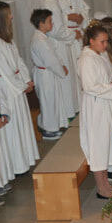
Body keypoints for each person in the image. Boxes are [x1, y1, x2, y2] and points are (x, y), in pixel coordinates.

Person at [77, 22, 112, 199]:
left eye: (106, 41)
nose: (105, 45)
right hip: (95, 107)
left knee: (106, 143)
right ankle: (101, 188)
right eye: (102, 41)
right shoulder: (86, 59)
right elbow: (89, 86)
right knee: (98, 146)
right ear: (91, 41)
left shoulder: (98, 55)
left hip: (104, 104)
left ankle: (106, 183)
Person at [0, 2, 39, 179]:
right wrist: (22, 85)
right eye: (8, 14)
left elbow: (19, 62)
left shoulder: (8, 40)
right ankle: (15, 164)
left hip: (18, 87)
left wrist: (27, 79)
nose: (12, 17)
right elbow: (5, 72)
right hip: (8, 90)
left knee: (21, 126)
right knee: (13, 128)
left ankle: (24, 160)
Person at [39, 0, 78, 118]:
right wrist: (73, 34)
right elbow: (56, 29)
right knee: (64, 77)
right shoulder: (50, 1)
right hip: (58, 43)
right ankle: (67, 111)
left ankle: (69, 109)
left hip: (59, 41)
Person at [29, 9, 68, 139]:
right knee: (48, 102)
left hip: (48, 73)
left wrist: (61, 65)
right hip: (45, 74)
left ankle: (51, 125)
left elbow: (54, 55)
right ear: (41, 24)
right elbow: (50, 61)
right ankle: (48, 130)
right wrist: (61, 71)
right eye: (50, 21)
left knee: (51, 101)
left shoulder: (44, 38)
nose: (52, 23)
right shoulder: (39, 40)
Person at [55, 0, 89, 91]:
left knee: (81, 65)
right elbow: (53, 17)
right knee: (71, 68)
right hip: (66, 37)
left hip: (78, 33)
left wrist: (81, 17)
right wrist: (68, 17)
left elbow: (85, 7)